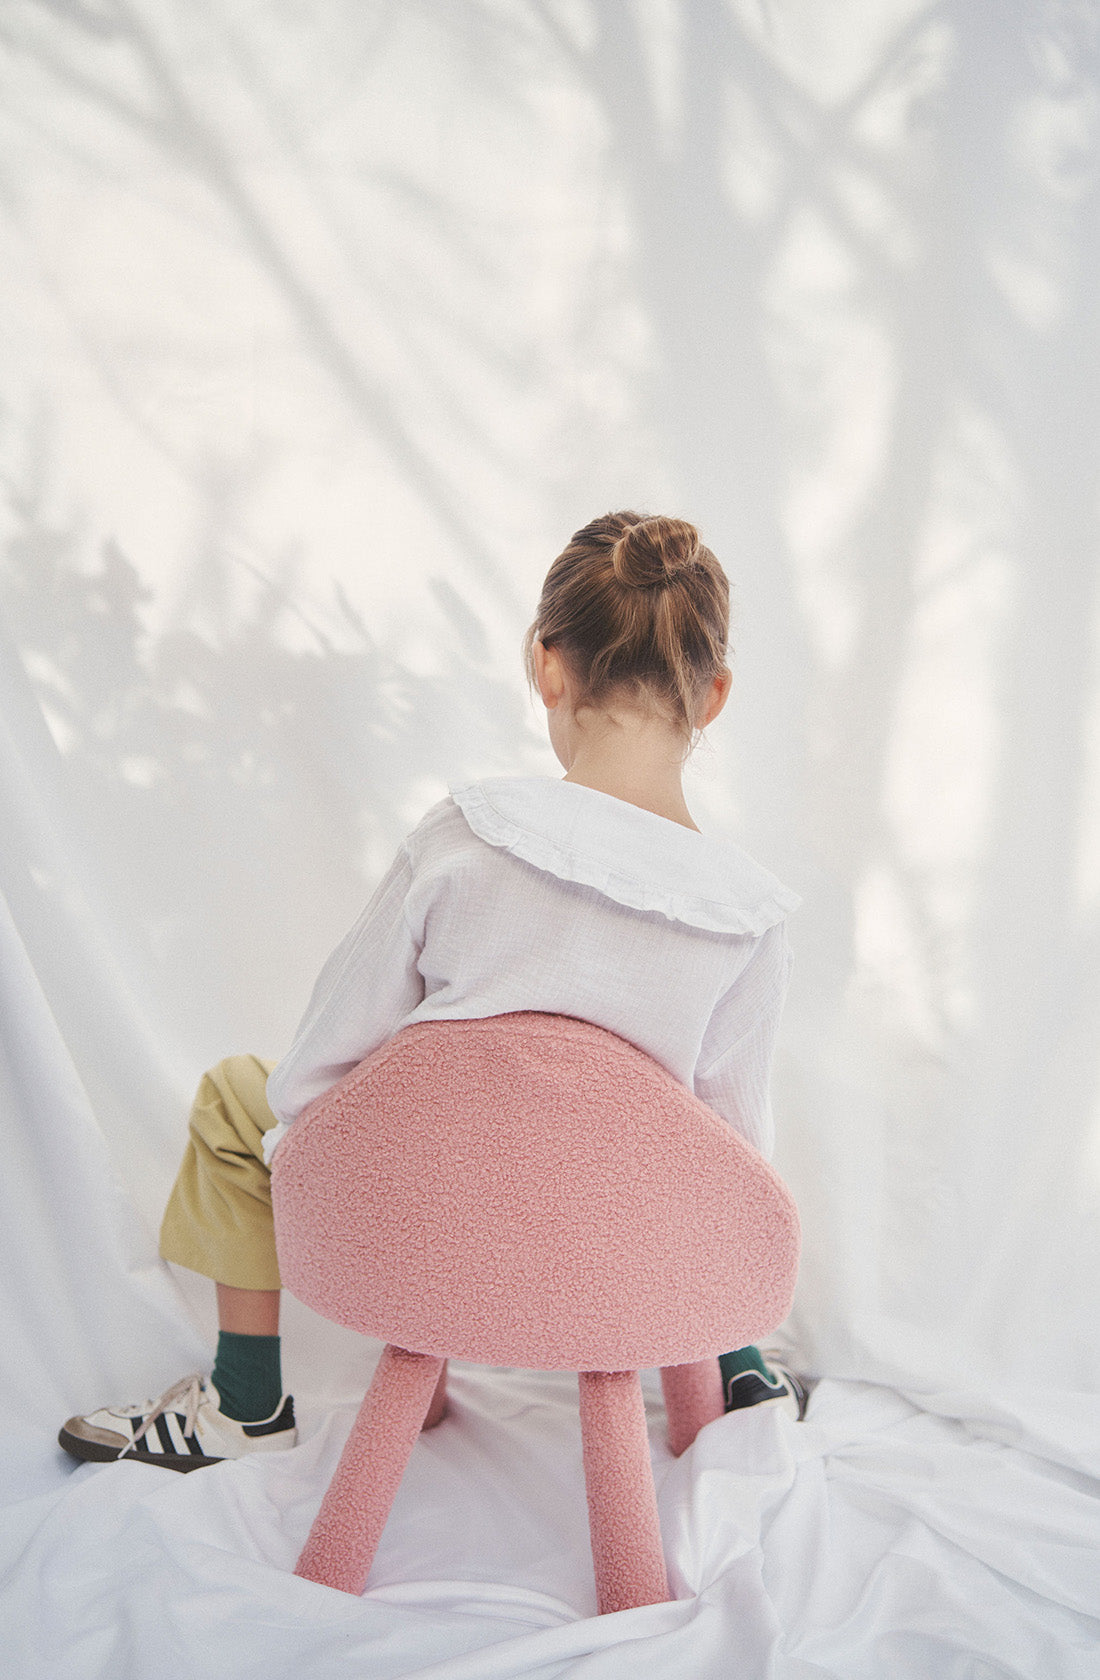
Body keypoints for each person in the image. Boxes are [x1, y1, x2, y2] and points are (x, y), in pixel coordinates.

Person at [59, 510, 805, 1472]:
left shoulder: (467, 836)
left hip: (431, 1214)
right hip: (611, 1252)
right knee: (711, 1162)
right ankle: (742, 1362)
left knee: (235, 1095)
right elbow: (734, 1147)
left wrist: (312, 1140)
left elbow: (326, 1052)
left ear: (547, 665)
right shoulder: (747, 916)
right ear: (714, 695)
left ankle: (242, 1405)